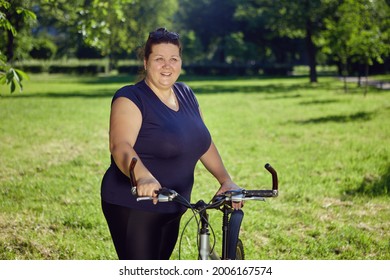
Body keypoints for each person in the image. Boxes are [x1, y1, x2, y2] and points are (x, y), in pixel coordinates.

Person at [101, 27, 242, 260]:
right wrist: (142, 175)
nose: (167, 65)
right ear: (146, 62)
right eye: (159, 59)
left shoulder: (186, 93)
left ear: (180, 62)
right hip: (135, 207)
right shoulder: (130, 98)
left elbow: (202, 141)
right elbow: (121, 146)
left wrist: (225, 180)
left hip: (174, 204)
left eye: (173, 59)